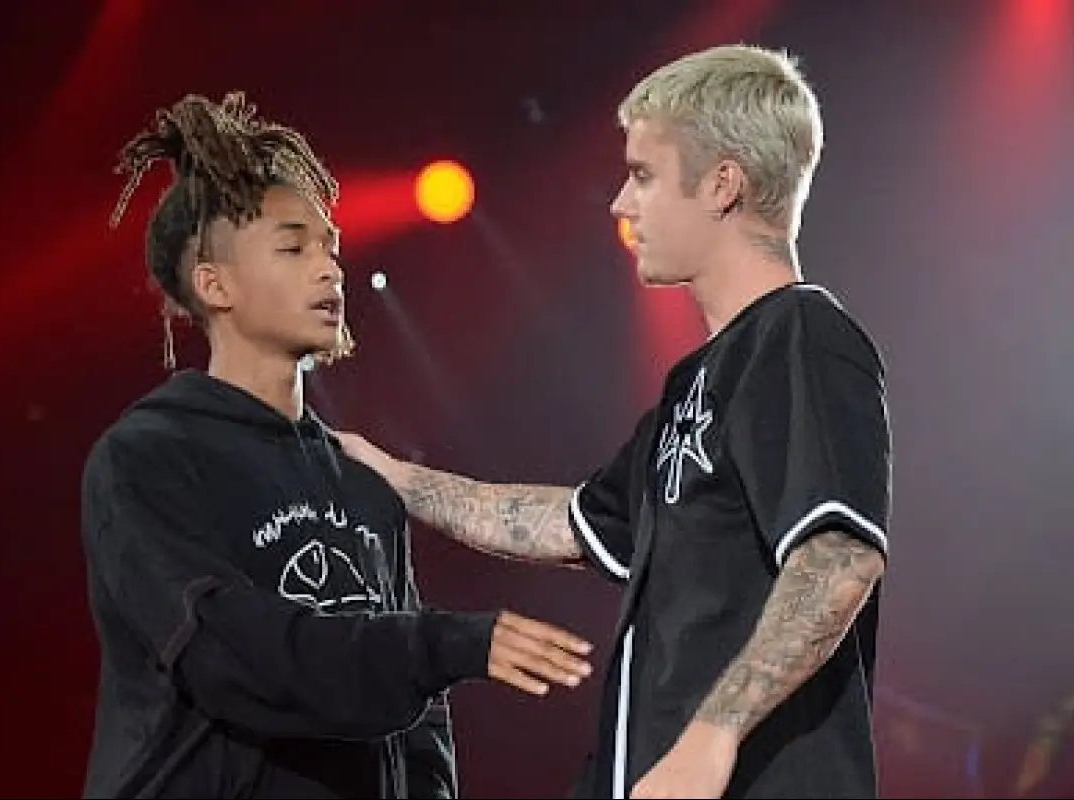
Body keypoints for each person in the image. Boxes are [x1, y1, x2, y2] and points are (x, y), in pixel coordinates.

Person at [339, 44, 891, 798]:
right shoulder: (692, 382)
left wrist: (711, 739)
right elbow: (571, 522)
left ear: (723, 183)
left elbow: (838, 559)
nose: (620, 205)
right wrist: (398, 479)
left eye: (643, 175)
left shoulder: (801, 334)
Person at [80, 90, 593, 799]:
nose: (331, 269)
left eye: (332, 247)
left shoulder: (355, 477)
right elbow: (234, 654)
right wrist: (446, 643)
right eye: (294, 247)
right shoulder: (148, 457)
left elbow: (418, 727)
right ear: (214, 283)